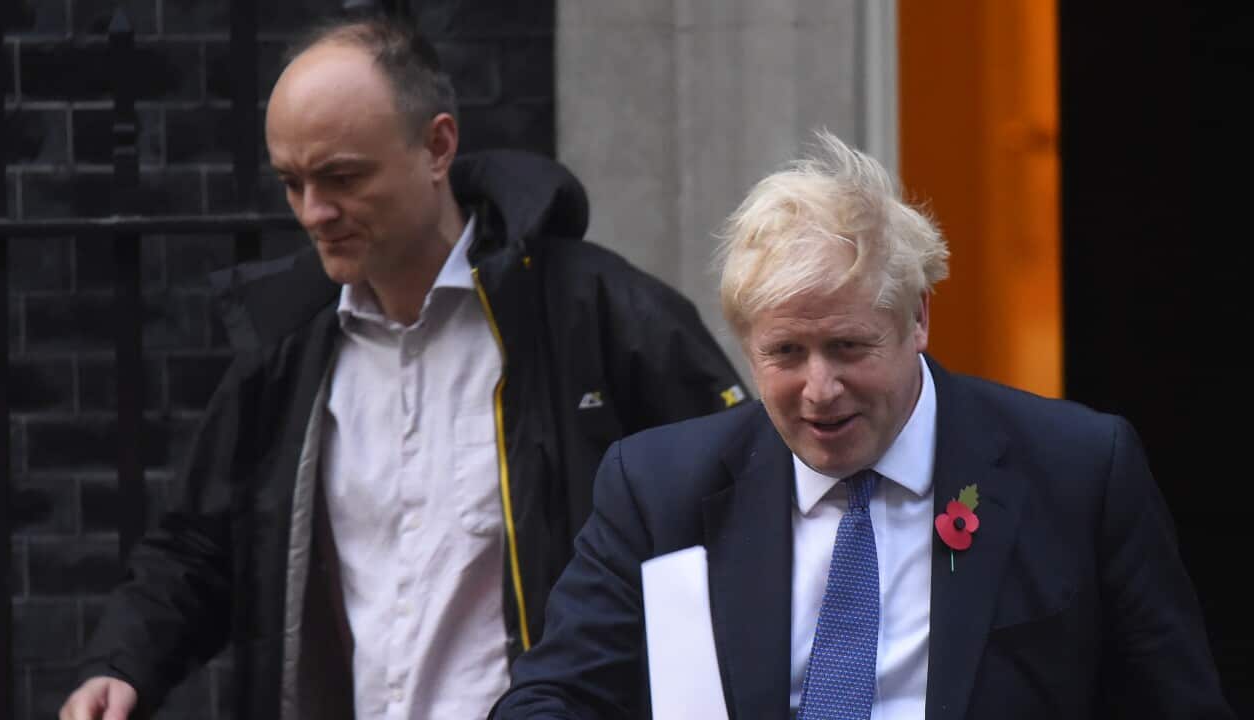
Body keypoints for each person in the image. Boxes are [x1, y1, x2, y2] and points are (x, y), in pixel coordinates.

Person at [59, 15, 746, 720]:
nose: (313, 212)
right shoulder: (287, 346)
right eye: (291, 183)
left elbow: (745, 522)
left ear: (437, 145)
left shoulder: (601, 315)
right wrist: (122, 665)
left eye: (341, 177)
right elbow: (202, 547)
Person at [490, 130, 1235, 719]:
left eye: (848, 347)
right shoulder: (657, 490)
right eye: (785, 353)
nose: (820, 390)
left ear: (916, 320)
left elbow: (1175, 702)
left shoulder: (1078, 470)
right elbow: (556, 696)